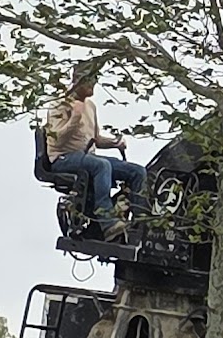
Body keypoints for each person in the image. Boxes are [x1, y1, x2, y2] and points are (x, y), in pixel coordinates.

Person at [43, 65, 146, 240]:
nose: (94, 84)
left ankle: (141, 222)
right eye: (90, 80)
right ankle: (106, 219)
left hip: (87, 157)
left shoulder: (90, 106)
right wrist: (75, 117)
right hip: (63, 157)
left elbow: (95, 138)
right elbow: (58, 139)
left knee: (137, 171)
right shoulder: (60, 104)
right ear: (78, 81)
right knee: (101, 165)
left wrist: (115, 143)